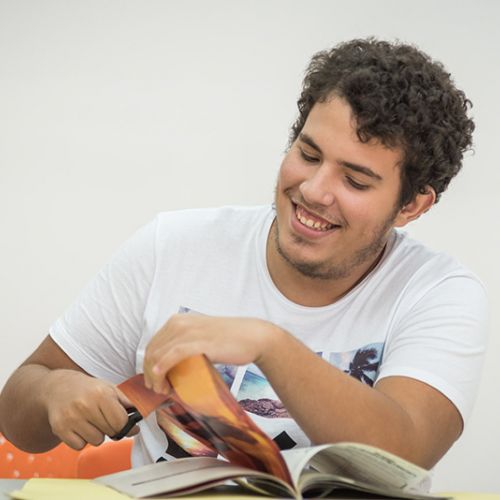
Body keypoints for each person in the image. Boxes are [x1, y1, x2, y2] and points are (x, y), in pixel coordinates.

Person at [0, 38, 488, 472]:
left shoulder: (438, 293)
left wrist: (269, 345)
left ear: (412, 205)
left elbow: (405, 454)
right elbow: (18, 411)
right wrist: (51, 393)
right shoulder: (173, 246)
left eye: (355, 180)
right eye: (308, 155)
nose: (313, 190)